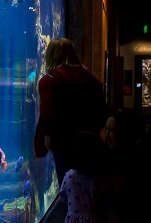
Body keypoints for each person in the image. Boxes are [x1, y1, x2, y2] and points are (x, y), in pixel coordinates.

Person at [33, 37, 106, 187]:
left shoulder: (49, 80)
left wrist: (49, 141)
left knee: (69, 192)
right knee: (90, 192)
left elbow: (48, 115)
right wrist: (90, 135)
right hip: (90, 146)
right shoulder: (92, 81)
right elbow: (102, 112)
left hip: (63, 147)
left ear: (51, 56)